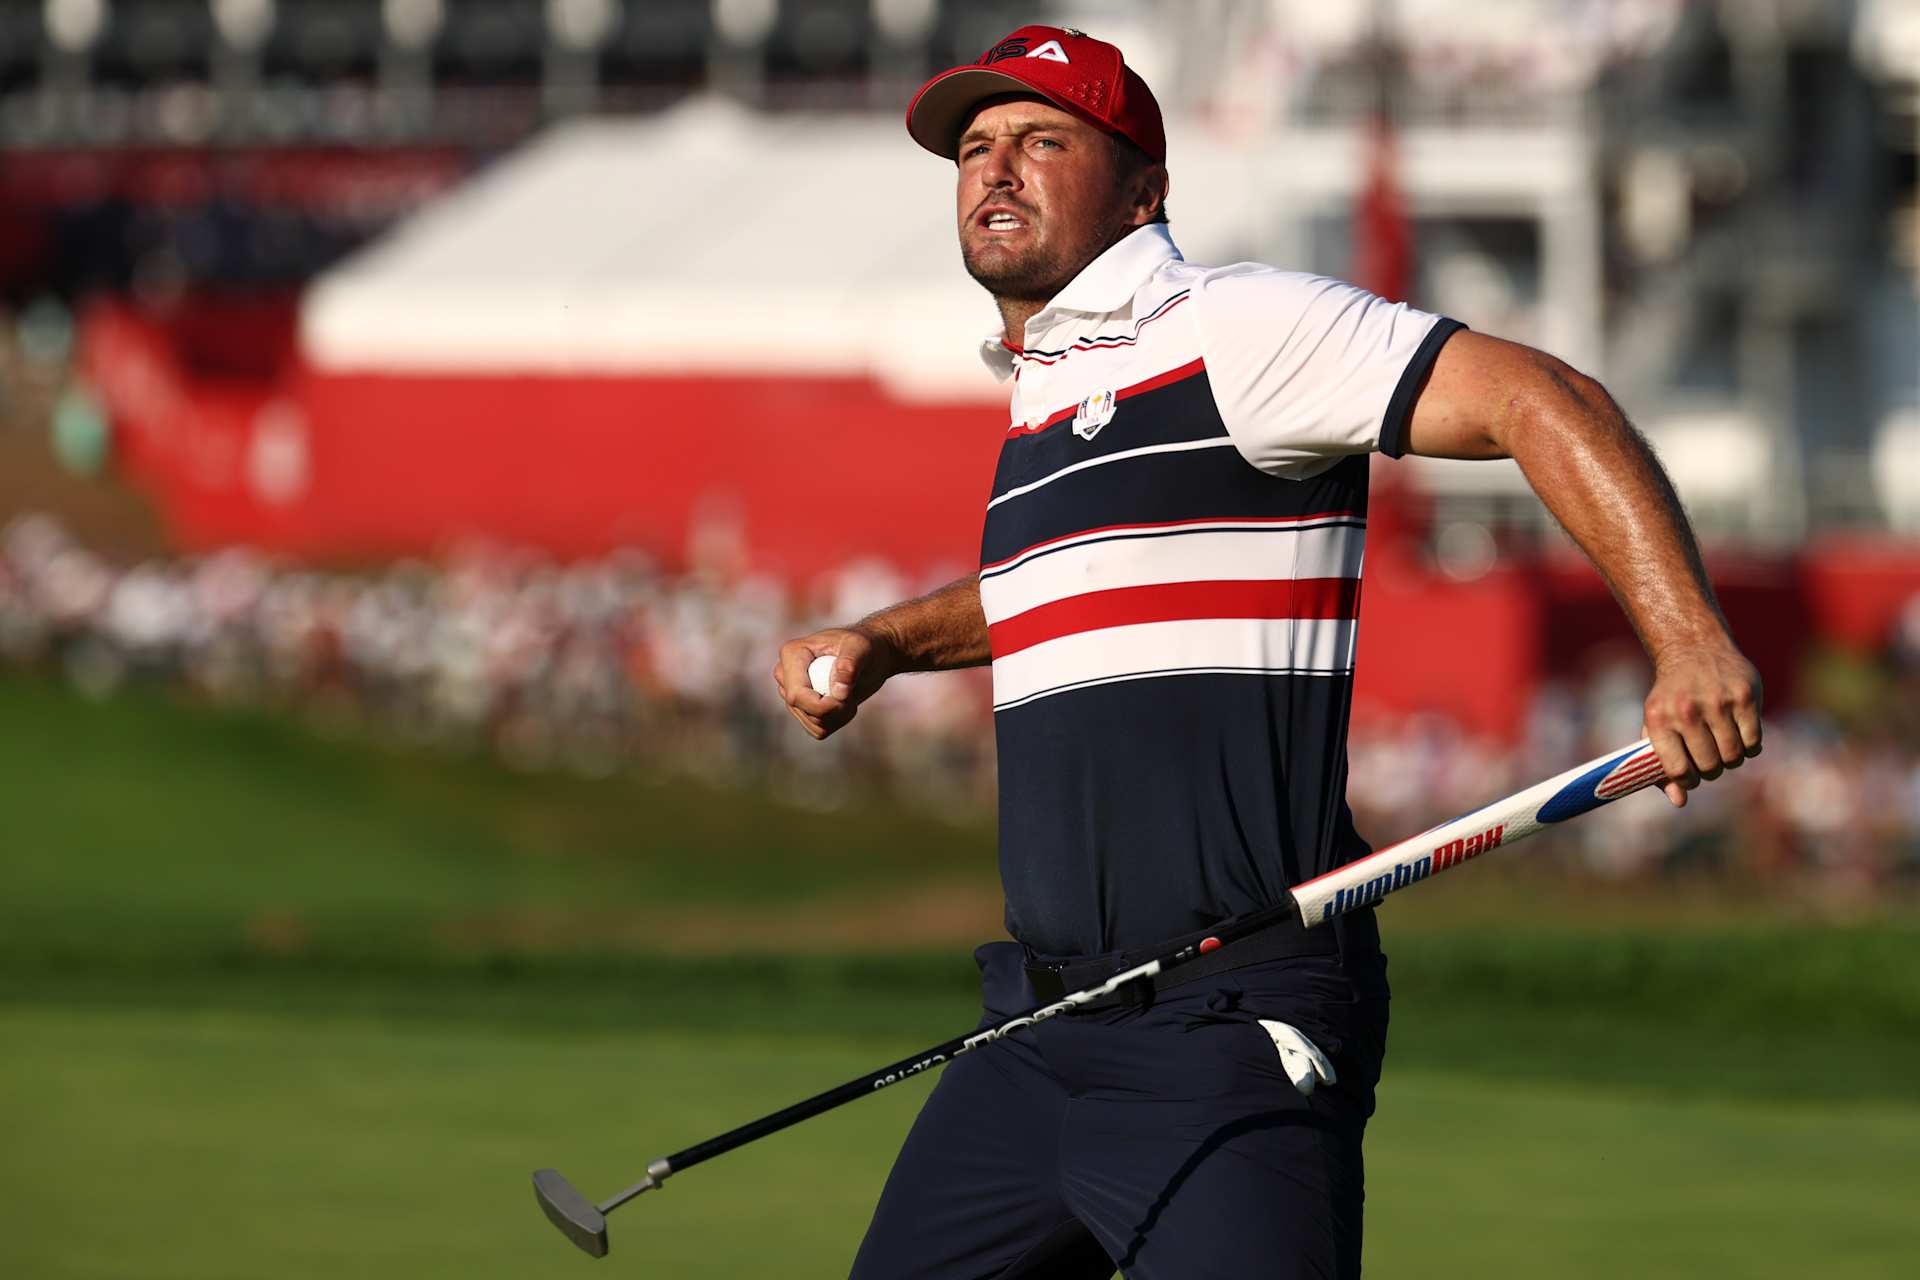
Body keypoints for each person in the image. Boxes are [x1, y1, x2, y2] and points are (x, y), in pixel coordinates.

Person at [774, 24, 1762, 1280]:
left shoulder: (1236, 326)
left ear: (1145, 189)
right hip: (1037, 1027)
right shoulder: (1043, 397)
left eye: (1041, 141)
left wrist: (1686, 640)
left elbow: (1537, 397)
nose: (994, 171)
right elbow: (1062, 584)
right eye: (974, 148)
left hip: (1228, 1018)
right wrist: (886, 642)